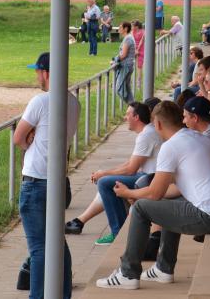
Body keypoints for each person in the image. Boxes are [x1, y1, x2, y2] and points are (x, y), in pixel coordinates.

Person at [96, 101, 210, 290]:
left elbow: (155, 193)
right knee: (166, 202)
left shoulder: (171, 146)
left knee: (141, 209)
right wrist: (138, 194)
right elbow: (171, 191)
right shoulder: (197, 137)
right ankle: (163, 269)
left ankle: (128, 274)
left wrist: (129, 193)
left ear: (157, 124)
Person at [13, 52, 80, 299]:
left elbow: (18, 138)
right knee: (58, 244)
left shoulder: (41, 102)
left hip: (35, 182)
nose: (36, 76)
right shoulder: (73, 101)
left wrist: (29, 141)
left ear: (46, 73)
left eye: (37, 72)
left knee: (39, 248)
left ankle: (39, 296)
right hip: (58, 182)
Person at [67, 102, 162, 245]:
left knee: (105, 184)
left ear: (136, 117)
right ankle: (116, 228)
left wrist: (104, 175)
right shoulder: (146, 132)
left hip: (150, 179)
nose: (125, 118)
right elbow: (131, 164)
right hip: (148, 176)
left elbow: (131, 169)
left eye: (127, 114)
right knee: (107, 180)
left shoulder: (146, 135)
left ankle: (118, 233)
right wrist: (105, 173)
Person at [114, 21, 136, 104]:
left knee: (119, 88)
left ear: (125, 28)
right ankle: (133, 106)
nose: (119, 29)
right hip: (127, 66)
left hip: (126, 66)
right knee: (127, 88)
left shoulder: (128, 38)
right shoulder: (128, 37)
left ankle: (131, 105)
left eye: (120, 27)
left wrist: (115, 59)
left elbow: (123, 55)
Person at [132, 20, 145, 87]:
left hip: (141, 49)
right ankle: (131, 80)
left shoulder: (142, 32)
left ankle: (139, 82)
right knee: (131, 64)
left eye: (133, 26)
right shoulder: (133, 32)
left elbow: (141, 41)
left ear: (136, 26)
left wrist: (137, 50)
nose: (132, 27)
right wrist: (134, 49)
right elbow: (132, 40)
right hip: (133, 48)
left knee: (139, 66)